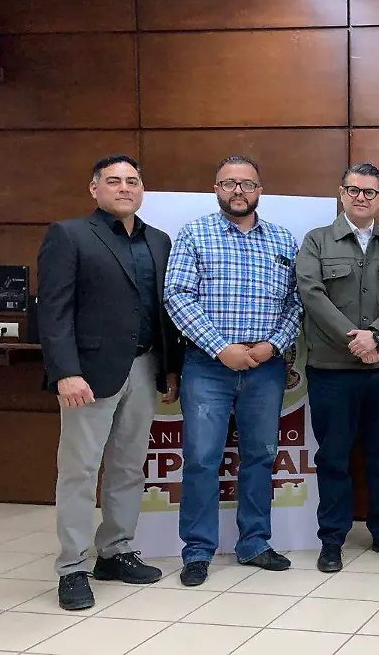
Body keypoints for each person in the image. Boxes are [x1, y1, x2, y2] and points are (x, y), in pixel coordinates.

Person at [37, 155, 184, 610]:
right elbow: (53, 310)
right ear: (94, 188)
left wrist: (169, 368)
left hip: (144, 366)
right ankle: (71, 567)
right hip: (87, 374)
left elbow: (163, 310)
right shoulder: (69, 235)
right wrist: (65, 372)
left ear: (142, 190)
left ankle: (115, 551)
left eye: (132, 181)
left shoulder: (158, 240)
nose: (124, 188)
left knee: (128, 467)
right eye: (114, 181)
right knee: (80, 470)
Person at [164, 156, 303, 587]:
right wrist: (220, 348)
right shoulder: (194, 234)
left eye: (247, 183)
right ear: (216, 189)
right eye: (229, 183)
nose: (238, 190)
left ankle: (254, 543)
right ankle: (197, 550)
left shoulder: (283, 239)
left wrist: (272, 345)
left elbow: (297, 302)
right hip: (208, 366)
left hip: (265, 367)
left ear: (260, 190)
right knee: (202, 459)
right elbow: (177, 296)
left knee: (260, 456)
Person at [296, 163, 379, 572]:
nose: (361, 197)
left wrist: (376, 337)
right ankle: (332, 539)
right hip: (331, 370)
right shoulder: (317, 241)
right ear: (341, 193)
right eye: (354, 190)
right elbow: (312, 295)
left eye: (370, 192)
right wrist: (355, 340)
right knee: (333, 457)